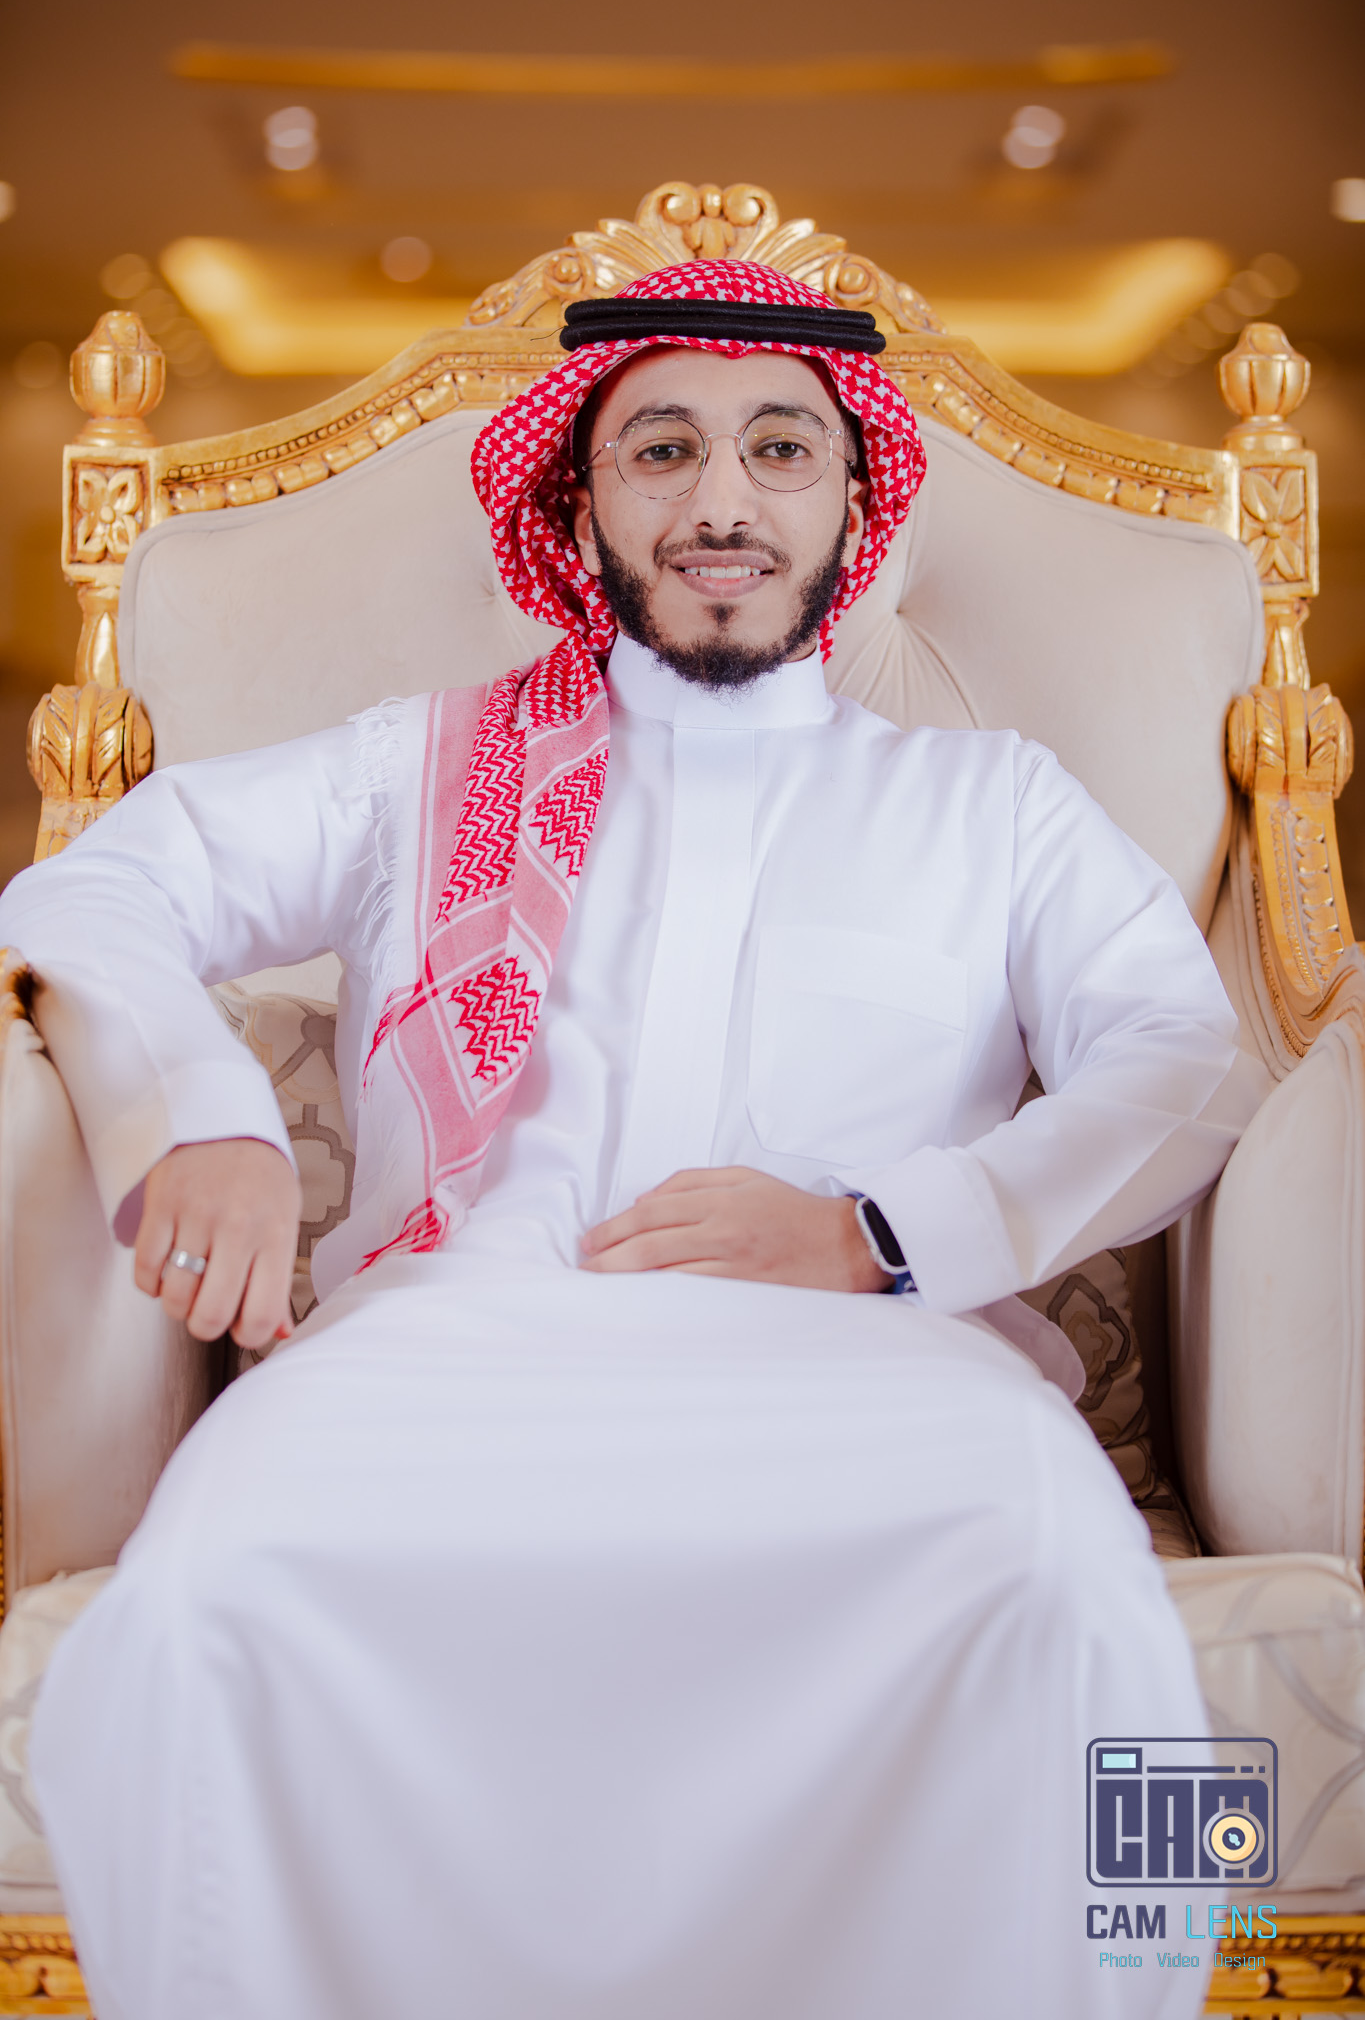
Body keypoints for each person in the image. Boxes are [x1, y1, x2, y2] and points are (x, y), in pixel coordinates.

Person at [0, 262, 1263, 2020]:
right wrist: (206, 1116)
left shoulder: (989, 807)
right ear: (577, 502)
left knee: (1061, 1597)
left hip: (884, 1369)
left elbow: (1185, 1061)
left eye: (779, 449)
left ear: (854, 499)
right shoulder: (413, 774)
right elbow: (97, 888)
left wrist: (884, 1231)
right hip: (435, 1359)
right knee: (205, 1600)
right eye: (662, 449)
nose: (722, 501)